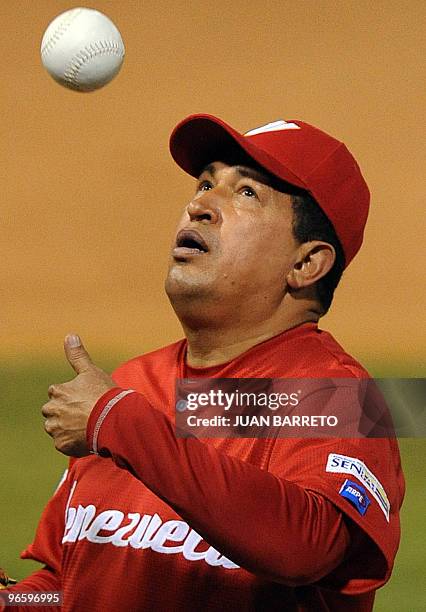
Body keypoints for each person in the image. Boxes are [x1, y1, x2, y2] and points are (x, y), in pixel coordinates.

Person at [2, 115, 404, 611]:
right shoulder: (133, 384)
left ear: (306, 264)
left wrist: (121, 423)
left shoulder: (344, 401)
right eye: (206, 183)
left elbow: (306, 544)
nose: (199, 206)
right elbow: (69, 584)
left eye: (246, 193)